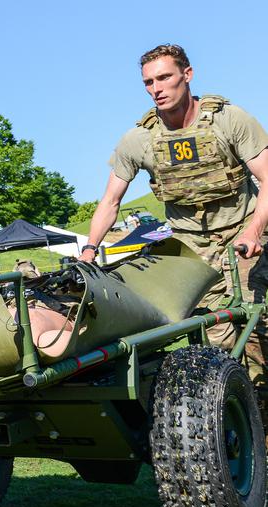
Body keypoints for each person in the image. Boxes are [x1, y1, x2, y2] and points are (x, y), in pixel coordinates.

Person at [80, 43, 268, 380]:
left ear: (188, 74)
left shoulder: (229, 120)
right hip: (191, 247)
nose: (157, 89)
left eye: (164, 77)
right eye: (149, 83)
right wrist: (90, 250)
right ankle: (231, 414)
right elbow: (110, 202)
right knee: (212, 337)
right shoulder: (139, 140)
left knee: (258, 329)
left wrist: (254, 230)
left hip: (244, 232)